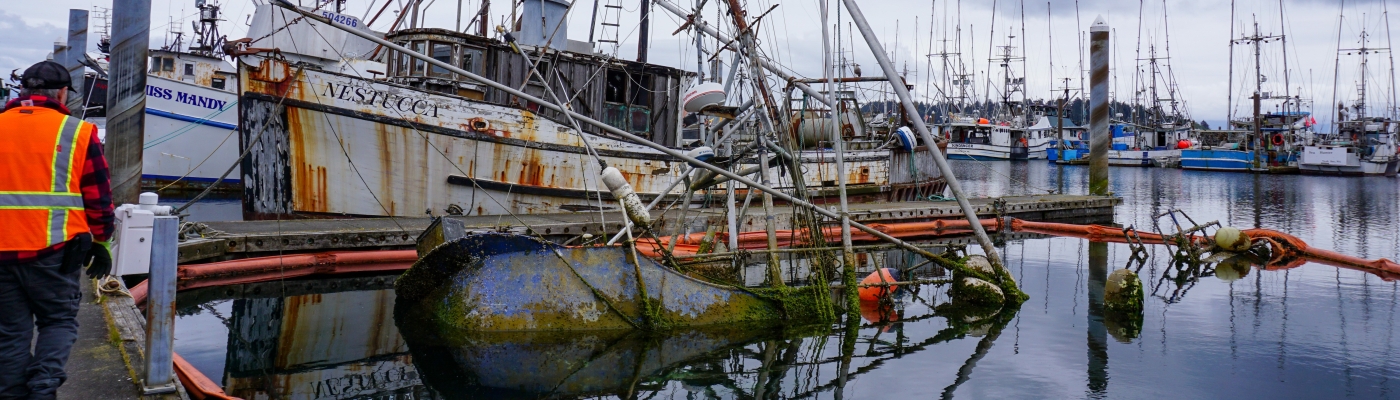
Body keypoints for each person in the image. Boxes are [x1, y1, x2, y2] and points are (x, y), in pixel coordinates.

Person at [0, 60, 114, 399]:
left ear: (23, 90)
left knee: (9, 332)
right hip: (54, 252)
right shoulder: (77, 132)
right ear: (63, 93)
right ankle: (43, 389)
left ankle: (11, 393)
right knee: (58, 321)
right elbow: (98, 194)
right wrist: (102, 241)